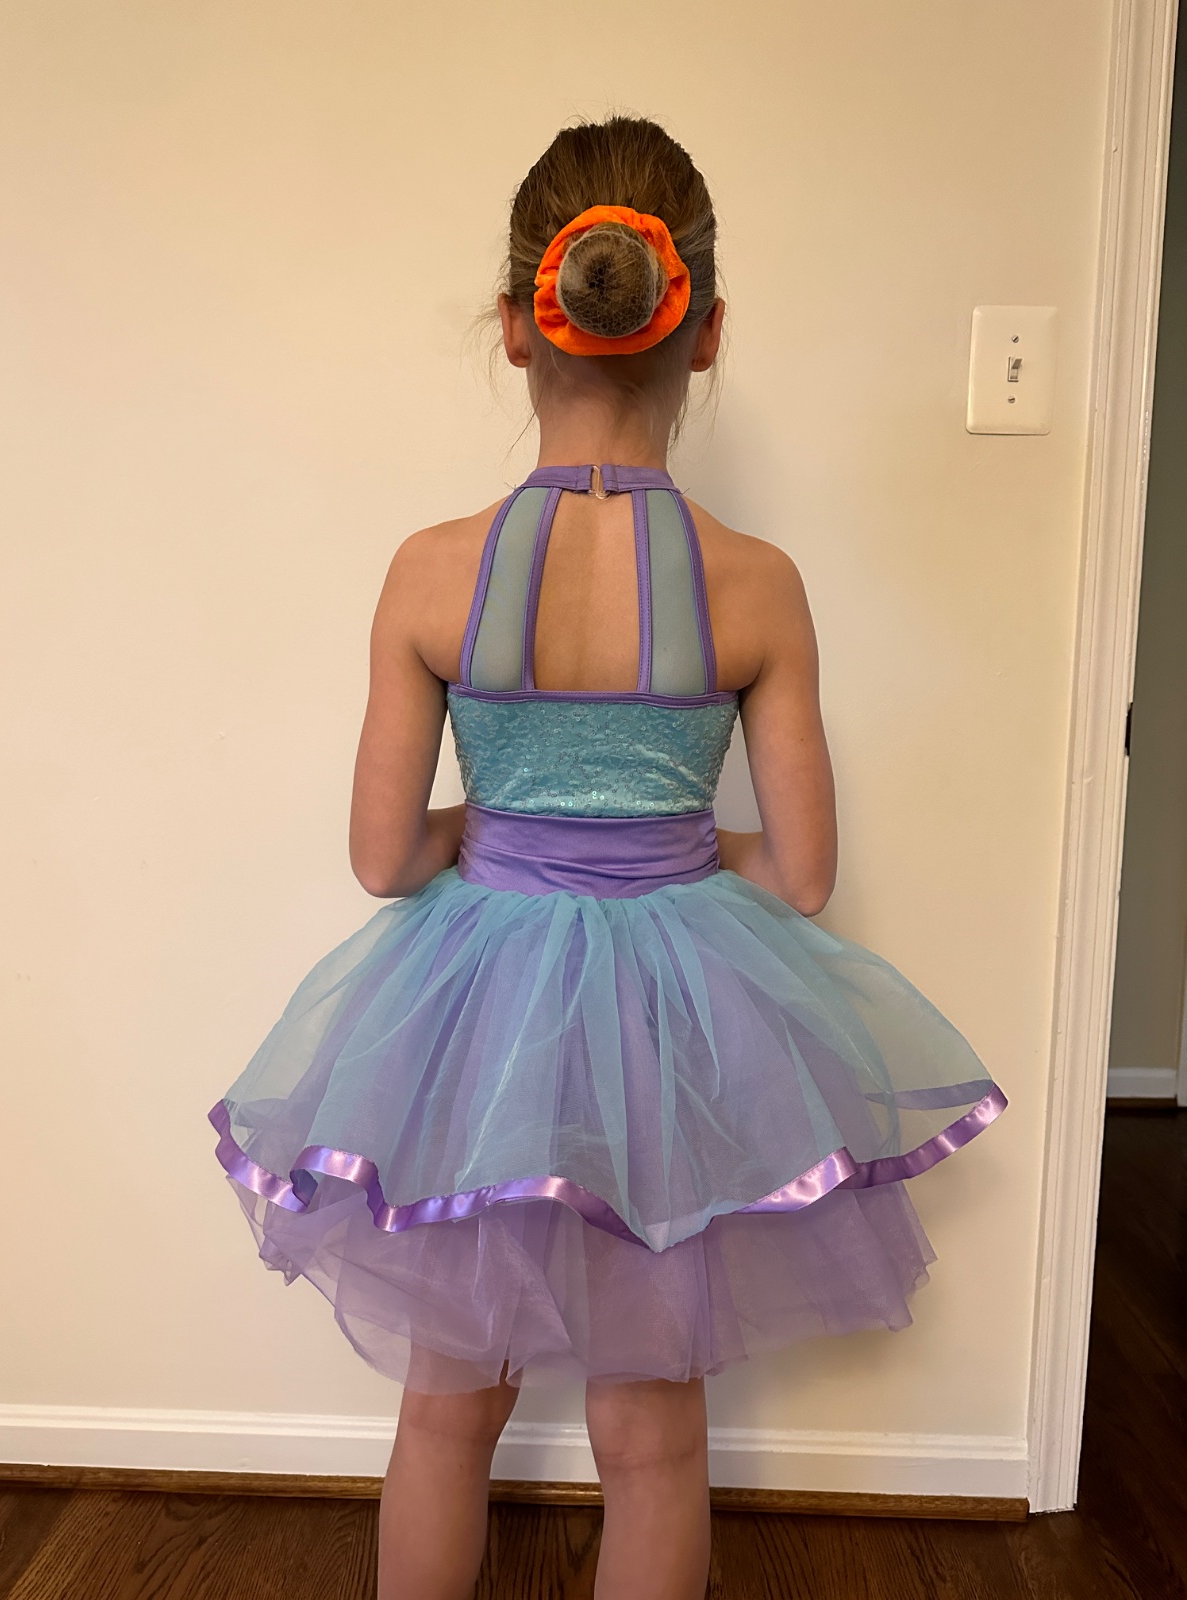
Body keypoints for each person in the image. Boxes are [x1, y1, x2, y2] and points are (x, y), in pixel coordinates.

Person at [207, 114, 1007, 1600]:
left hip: (474, 1019)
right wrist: (668, 839)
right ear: (704, 334)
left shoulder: (430, 571)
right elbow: (804, 875)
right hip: (671, 1017)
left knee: (446, 1412)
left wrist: (501, 828)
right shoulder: (756, 585)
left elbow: (383, 860)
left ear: (518, 326)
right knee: (652, 1437)